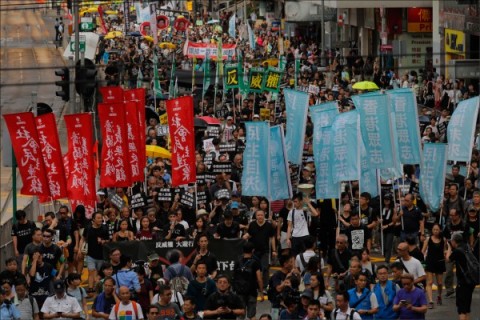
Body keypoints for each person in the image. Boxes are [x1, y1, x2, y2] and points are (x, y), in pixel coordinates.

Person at [243, 210, 276, 292]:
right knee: (253, 268)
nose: (260, 216)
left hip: (265, 250)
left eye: (261, 215)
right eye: (258, 215)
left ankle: (264, 287)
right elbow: (249, 234)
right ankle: (254, 286)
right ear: (256, 216)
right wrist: (242, 238)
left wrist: (274, 250)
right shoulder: (252, 225)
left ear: (264, 215)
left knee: (265, 268)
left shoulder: (268, 225)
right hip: (253, 251)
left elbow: (272, 238)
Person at [446, 232, 476, 320]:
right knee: (467, 308)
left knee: (461, 309)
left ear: (454, 241)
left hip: (463, 282)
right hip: (471, 280)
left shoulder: (457, 251)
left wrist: (449, 248)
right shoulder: (467, 247)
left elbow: (448, 259)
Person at [80, 211, 110, 295]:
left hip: (101, 255)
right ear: (93, 219)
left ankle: (100, 288)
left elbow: (109, 240)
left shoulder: (105, 228)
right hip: (90, 255)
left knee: (100, 274)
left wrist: (103, 241)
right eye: (98, 218)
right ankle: (90, 289)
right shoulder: (88, 228)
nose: (100, 219)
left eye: (101, 218)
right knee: (91, 271)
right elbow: (83, 238)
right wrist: (80, 249)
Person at [231, 242, 262, 320]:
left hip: (239, 292)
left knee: (240, 315)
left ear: (243, 250)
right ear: (253, 250)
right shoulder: (255, 262)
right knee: (252, 315)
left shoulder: (237, 261)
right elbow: (259, 279)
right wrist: (261, 292)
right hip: (252, 292)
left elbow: (233, 276)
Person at [421, 223, 446, 308]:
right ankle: (430, 300)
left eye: (437, 230)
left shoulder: (443, 240)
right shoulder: (428, 239)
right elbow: (423, 251)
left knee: (439, 283)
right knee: (430, 282)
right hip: (430, 262)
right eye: (434, 229)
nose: (435, 231)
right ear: (432, 230)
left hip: (440, 262)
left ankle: (439, 296)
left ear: (440, 230)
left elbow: (444, 250)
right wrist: (422, 263)